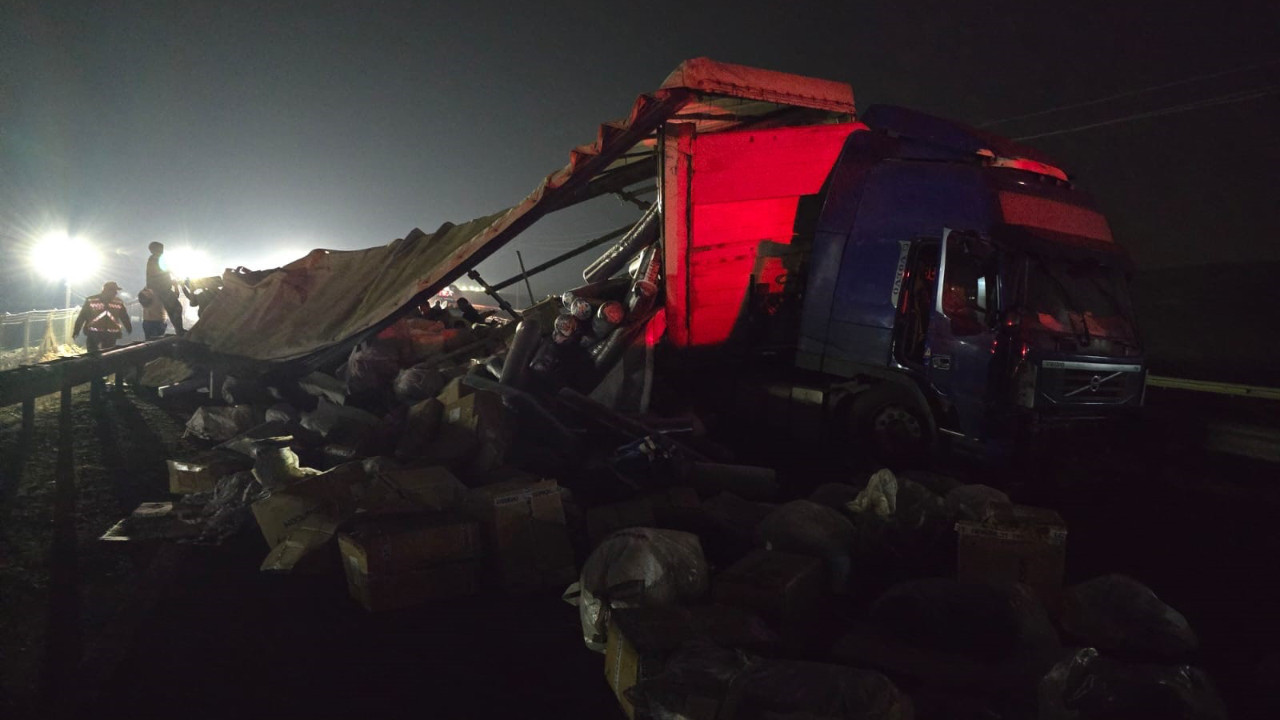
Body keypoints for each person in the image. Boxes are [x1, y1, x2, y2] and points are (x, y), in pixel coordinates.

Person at [73, 281, 133, 353]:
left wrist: (128, 327)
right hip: (94, 333)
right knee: (93, 355)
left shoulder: (118, 302)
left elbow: (124, 316)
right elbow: (82, 316)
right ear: (106, 290)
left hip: (109, 334)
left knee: (107, 355)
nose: (116, 293)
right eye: (113, 290)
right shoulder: (91, 300)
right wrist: (76, 330)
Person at [145, 241, 185, 335]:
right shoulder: (155, 260)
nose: (162, 250)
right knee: (176, 308)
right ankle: (179, 330)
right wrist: (173, 281)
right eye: (160, 248)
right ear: (154, 249)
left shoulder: (155, 259)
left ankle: (179, 330)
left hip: (160, 289)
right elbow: (158, 276)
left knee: (172, 309)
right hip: (162, 289)